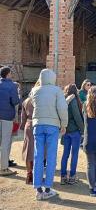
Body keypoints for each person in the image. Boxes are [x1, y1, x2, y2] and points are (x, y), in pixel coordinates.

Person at [30, 69, 68, 201]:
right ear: (53, 78)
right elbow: (62, 108)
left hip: (37, 125)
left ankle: (38, 188)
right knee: (51, 157)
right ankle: (47, 188)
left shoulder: (34, 90)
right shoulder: (56, 90)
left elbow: (33, 104)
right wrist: (64, 124)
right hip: (52, 125)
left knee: (38, 156)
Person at [60, 84, 84, 185]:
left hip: (65, 130)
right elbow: (77, 117)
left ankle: (63, 176)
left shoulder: (62, 99)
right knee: (74, 154)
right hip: (74, 131)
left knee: (65, 154)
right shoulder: (73, 100)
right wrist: (83, 130)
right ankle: (72, 176)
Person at [0, 66, 20, 177]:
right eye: (11, 73)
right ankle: (3, 168)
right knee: (5, 143)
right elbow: (15, 101)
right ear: (8, 74)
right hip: (7, 117)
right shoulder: (12, 86)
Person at [20, 94, 35, 184]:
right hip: (38, 124)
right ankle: (35, 174)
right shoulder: (39, 100)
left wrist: (22, 127)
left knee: (28, 150)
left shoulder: (26, 101)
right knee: (38, 150)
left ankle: (29, 174)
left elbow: (23, 117)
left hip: (28, 125)